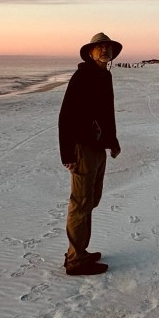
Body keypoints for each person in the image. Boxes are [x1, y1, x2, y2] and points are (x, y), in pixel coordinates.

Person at [58, 32, 123, 276]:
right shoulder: (83, 75)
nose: (105, 50)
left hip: (97, 147)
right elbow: (65, 116)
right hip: (82, 147)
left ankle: (80, 251)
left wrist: (112, 141)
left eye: (108, 48)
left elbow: (106, 114)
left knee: (91, 199)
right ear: (90, 52)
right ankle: (75, 261)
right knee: (81, 203)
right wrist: (68, 155)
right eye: (100, 47)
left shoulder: (103, 75)